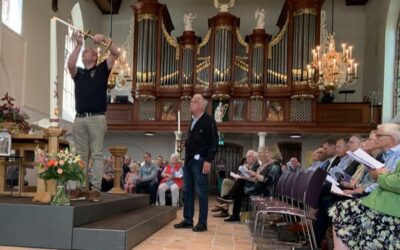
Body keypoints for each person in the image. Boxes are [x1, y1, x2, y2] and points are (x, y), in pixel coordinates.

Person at [67, 31, 120, 202]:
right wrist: (78, 45)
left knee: (96, 154)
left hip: (97, 117)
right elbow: (70, 65)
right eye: (83, 52)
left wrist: (104, 39)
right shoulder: (79, 74)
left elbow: (115, 53)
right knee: (80, 156)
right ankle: (82, 188)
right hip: (79, 118)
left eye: (87, 51)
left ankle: (95, 189)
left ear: (95, 56)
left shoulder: (103, 69)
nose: (84, 53)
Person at [328, 162, 400, 249]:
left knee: (341, 209)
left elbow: (396, 182)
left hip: (390, 208)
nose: (362, 147)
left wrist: (379, 175)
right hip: (384, 202)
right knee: (338, 207)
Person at [174, 94, 218, 232]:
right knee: (187, 191)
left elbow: (214, 143)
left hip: (200, 161)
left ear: (200, 104)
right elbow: (195, 141)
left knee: (201, 192)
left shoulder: (208, 120)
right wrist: (185, 143)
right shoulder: (192, 120)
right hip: (188, 161)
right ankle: (188, 220)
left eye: (193, 101)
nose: (190, 104)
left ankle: (202, 223)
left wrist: (208, 160)